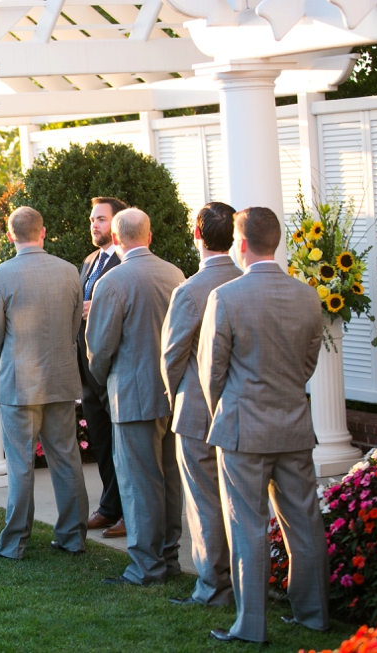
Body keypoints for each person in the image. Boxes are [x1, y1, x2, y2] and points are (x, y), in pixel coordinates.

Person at [198, 207, 329, 644]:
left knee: (247, 525)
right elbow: (307, 362)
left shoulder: (227, 296)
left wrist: (225, 407)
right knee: (304, 522)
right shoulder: (308, 296)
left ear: (242, 244)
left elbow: (210, 370)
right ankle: (313, 616)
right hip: (292, 423)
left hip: (242, 429)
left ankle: (250, 624)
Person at [0, 206, 88, 559]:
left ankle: (14, 544)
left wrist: (6, 364)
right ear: (43, 232)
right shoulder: (70, 271)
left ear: (10, 235)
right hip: (60, 377)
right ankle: (73, 536)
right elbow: (74, 328)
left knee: (20, 464)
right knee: (66, 459)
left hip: (19, 383)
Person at [85, 207, 185, 585]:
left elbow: (100, 346)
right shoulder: (175, 274)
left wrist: (102, 379)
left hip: (130, 393)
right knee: (169, 478)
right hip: (171, 392)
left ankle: (146, 566)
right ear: (150, 235)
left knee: (139, 483)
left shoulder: (112, 281)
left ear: (115, 238)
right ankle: (170, 557)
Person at [160, 202, 241, 608]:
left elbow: (172, 356)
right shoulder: (246, 282)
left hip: (196, 412)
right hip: (240, 411)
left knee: (205, 502)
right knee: (240, 504)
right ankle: (244, 583)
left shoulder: (190, 290)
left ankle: (213, 588)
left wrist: (174, 399)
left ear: (197, 233)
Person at [77, 196, 127, 538]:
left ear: (118, 223)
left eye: (101, 219)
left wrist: (98, 306)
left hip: (113, 366)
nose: (95, 224)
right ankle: (109, 507)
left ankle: (125, 510)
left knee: (121, 443)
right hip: (86, 367)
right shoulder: (90, 259)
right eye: (93, 219)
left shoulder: (126, 261)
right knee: (100, 441)